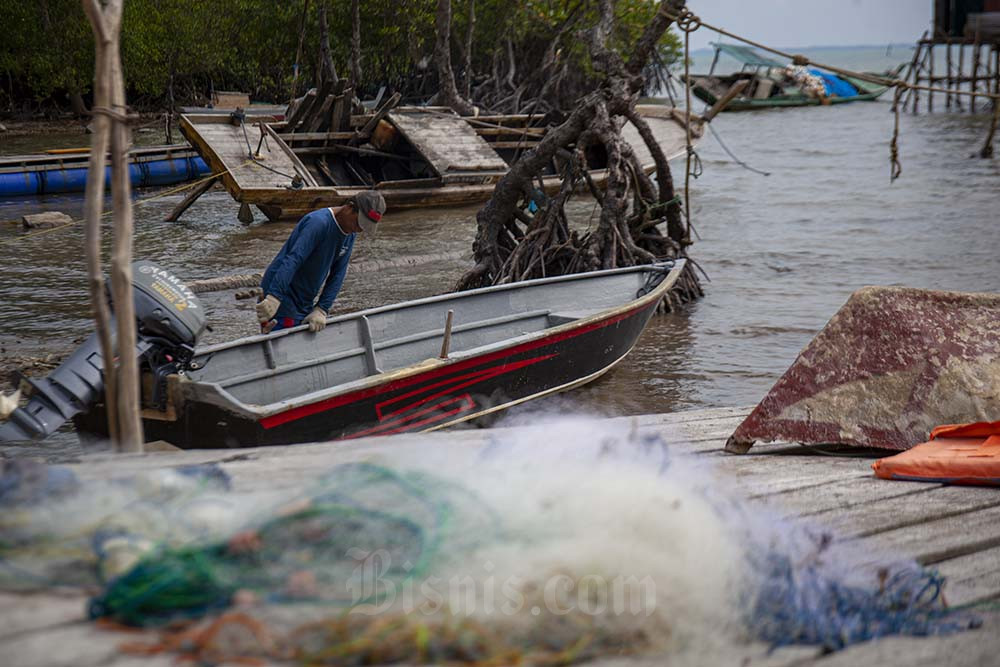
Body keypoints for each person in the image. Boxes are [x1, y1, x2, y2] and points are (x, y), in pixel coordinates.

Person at [256, 191, 386, 333]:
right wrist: (275, 296)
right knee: (283, 342)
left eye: (363, 227)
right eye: (358, 223)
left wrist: (322, 308)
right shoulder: (319, 223)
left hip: (304, 298)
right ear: (349, 207)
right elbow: (294, 259)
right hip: (283, 291)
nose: (359, 229)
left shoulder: (350, 233)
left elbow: (339, 273)